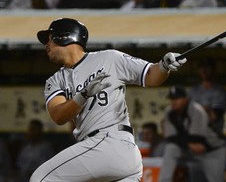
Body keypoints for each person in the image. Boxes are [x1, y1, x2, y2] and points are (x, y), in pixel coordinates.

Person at [30, 17, 187, 181]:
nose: (46, 46)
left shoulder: (109, 58)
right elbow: (58, 115)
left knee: (40, 178)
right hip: (104, 151)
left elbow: (150, 76)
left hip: (110, 141)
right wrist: (82, 95)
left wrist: (164, 66)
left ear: (64, 37)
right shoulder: (55, 81)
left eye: (49, 40)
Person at [159, 85, 226, 182]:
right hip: (190, 149)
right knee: (171, 148)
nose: (174, 102)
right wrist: (185, 141)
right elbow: (170, 138)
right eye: (171, 99)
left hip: (212, 150)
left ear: (186, 99)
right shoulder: (169, 112)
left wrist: (178, 138)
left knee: (216, 180)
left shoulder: (196, 110)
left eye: (177, 98)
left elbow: (195, 139)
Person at [188, 57, 226, 139]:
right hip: (194, 134)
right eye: (201, 67)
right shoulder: (193, 90)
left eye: (207, 67)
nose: (204, 70)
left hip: (213, 134)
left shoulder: (220, 91)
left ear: (213, 70)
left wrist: (198, 110)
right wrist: (205, 108)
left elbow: (214, 116)